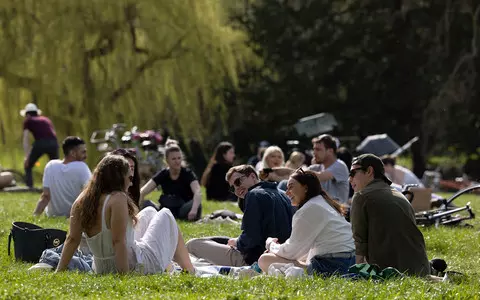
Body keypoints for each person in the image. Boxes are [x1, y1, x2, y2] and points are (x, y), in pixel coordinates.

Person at [56, 155, 194, 274]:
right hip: (132, 265)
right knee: (166, 214)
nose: (131, 182)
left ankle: (173, 266)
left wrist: (59, 271)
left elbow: (72, 240)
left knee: (150, 212)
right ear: (119, 178)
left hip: (100, 268)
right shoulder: (117, 198)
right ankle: (190, 270)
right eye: (129, 177)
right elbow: (118, 242)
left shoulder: (82, 200)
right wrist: (124, 276)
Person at [186, 164, 293, 267]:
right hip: (281, 256)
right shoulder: (282, 194)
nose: (237, 189)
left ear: (252, 176)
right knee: (218, 240)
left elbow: (251, 239)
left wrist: (237, 242)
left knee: (192, 244)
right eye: (232, 188)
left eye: (238, 182)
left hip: (253, 260)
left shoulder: (254, 194)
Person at [258, 169, 355, 276]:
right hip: (348, 260)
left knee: (264, 260)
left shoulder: (309, 208)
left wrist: (271, 245)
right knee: (283, 257)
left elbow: (291, 251)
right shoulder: (321, 202)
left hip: (332, 266)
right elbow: (299, 248)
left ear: (305, 188)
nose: (287, 192)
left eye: (291, 187)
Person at [349, 154, 431, 276]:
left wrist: (357, 273)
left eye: (353, 173)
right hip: (421, 268)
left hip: (392, 272)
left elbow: (359, 241)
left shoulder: (362, 196)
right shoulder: (397, 193)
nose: (350, 179)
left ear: (369, 171)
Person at [140, 143, 202, 221]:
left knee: (197, 204)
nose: (177, 161)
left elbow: (197, 192)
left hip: (182, 210)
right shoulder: (163, 174)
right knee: (146, 203)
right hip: (164, 211)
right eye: (174, 159)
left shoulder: (187, 173)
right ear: (167, 161)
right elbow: (143, 191)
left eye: (179, 158)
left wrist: (194, 210)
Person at [33, 137, 91, 217]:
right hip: (74, 216)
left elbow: (45, 196)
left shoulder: (51, 165)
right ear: (72, 153)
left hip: (52, 215)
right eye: (83, 152)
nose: (86, 156)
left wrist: (35, 215)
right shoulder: (82, 167)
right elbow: (91, 194)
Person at [21, 103, 59, 188]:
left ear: (27, 114)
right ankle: (57, 186)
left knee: (28, 165)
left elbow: (26, 139)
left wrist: (27, 157)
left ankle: (29, 186)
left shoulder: (28, 120)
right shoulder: (46, 119)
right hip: (54, 142)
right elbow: (53, 133)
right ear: (36, 112)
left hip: (40, 143)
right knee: (56, 166)